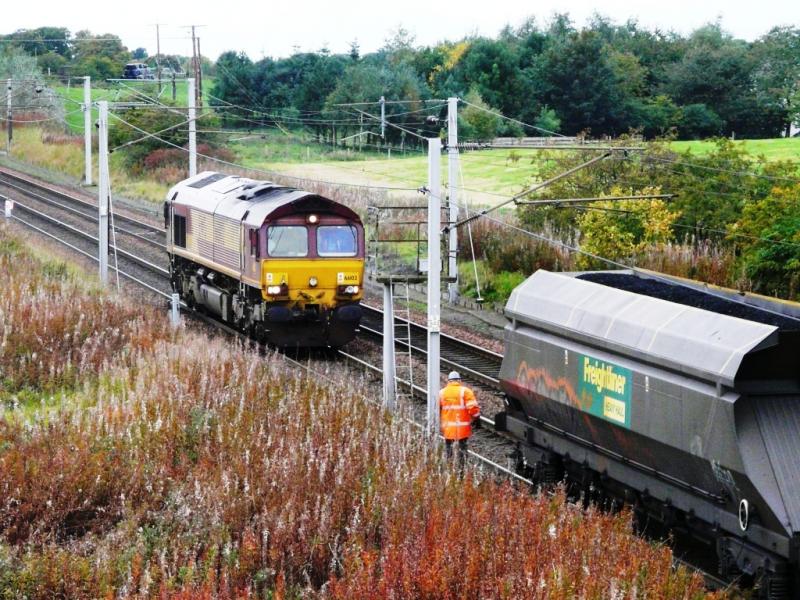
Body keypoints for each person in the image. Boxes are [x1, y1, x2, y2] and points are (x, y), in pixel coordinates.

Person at [439, 371, 480, 474]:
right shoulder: (465, 392)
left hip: (448, 429)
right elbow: (473, 408)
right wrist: (476, 418)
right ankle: (461, 471)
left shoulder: (442, 393)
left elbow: (438, 408)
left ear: (448, 381)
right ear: (459, 380)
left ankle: (449, 471)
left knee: (449, 449)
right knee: (462, 449)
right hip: (462, 429)